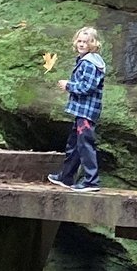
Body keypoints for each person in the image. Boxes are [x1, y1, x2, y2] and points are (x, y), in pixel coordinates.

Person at [48, 25, 107, 190]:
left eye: (86, 42)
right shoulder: (84, 60)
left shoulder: (89, 63)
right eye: (79, 41)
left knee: (85, 145)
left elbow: (87, 87)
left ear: (93, 44)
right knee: (74, 144)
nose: (81, 44)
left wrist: (69, 85)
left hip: (86, 113)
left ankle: (91, 181)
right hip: (81, 111)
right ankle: (66, 177)